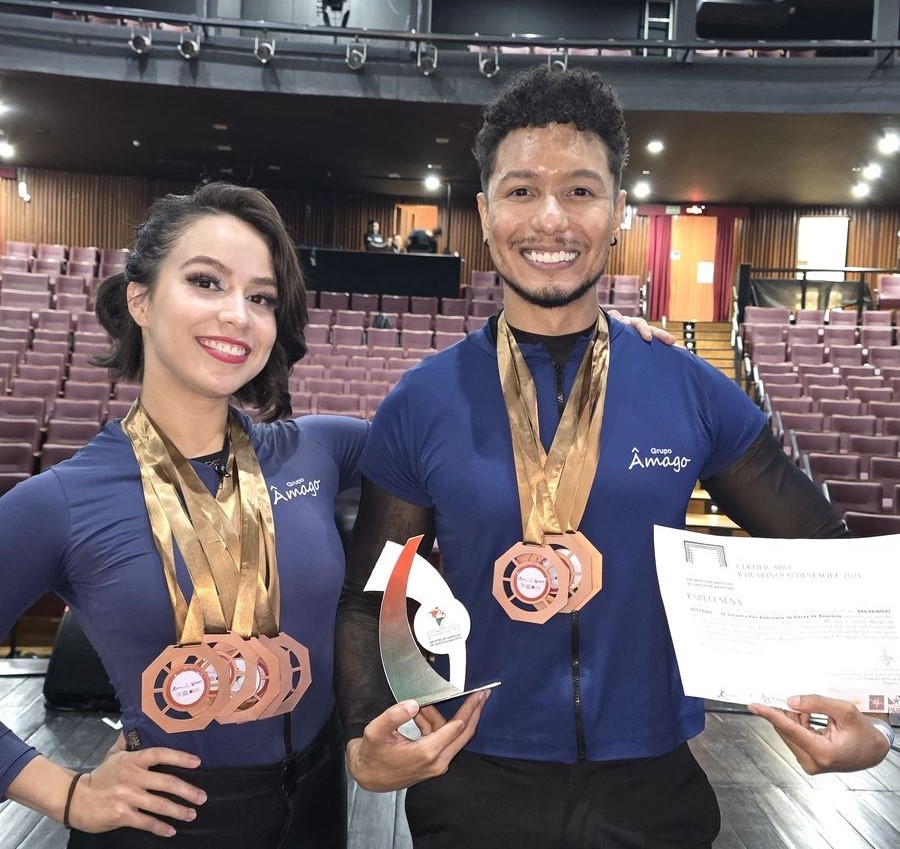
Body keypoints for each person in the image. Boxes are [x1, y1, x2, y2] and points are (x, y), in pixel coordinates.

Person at [335, 66, 893, 848]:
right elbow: (370, 598)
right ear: (485, 213)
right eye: (522, 190)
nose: (551, 219)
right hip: (473, 779)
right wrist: (364, 737)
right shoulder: (421, 400)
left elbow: (826, 554)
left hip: (653, 784)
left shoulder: (690, 387)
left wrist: (872, 711)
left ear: (619, 212)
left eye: (582, 191)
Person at [0, 182, 367, 848]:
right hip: (170, 819)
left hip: (318, 800)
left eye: (260, 297)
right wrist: (67, 792)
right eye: (206, 281)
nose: (238, 314)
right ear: (139, 299)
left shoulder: (319, 447)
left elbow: (456, 447)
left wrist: (619, 351)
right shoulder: (59, 501)